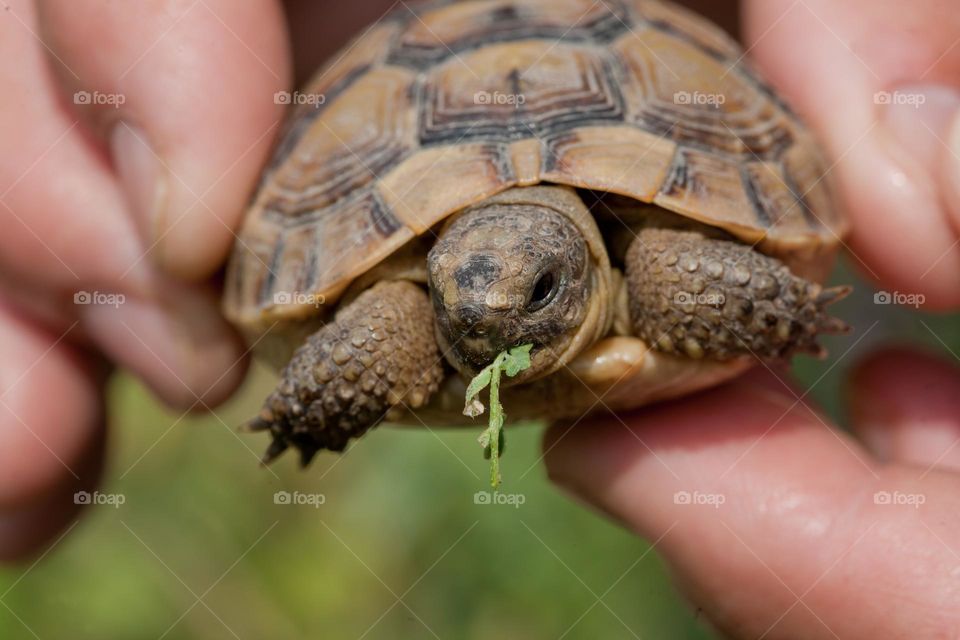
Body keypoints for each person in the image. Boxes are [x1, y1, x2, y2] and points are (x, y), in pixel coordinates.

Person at [0, 0, 957, 636]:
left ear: (583, 262)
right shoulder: (409, 309)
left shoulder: (651, 259)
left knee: (676, 275)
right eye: (457, 295)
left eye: (536, 298)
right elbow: (393, 319)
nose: (487, 323)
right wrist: (320, 398)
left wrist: (771, 308)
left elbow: (712, 270)